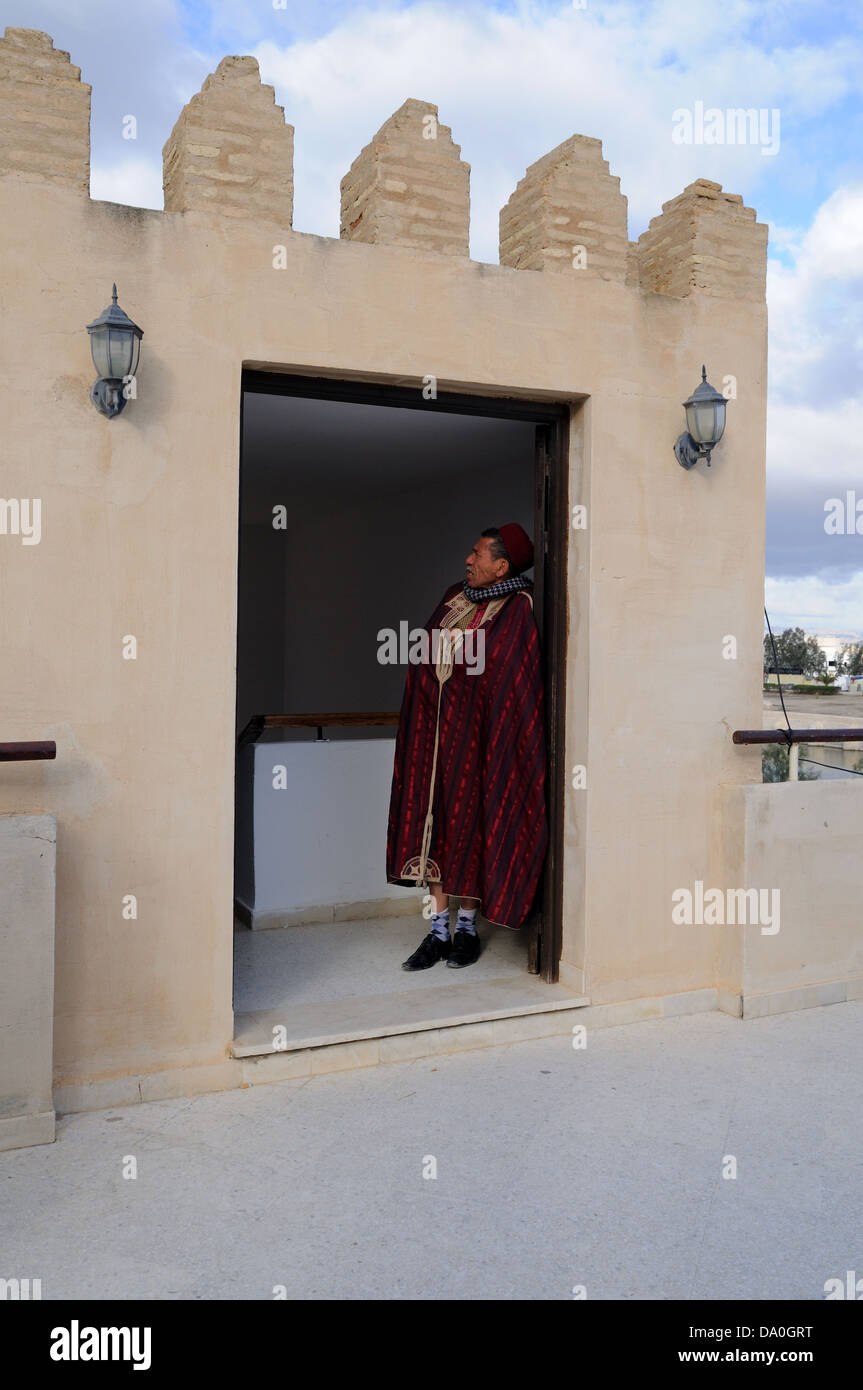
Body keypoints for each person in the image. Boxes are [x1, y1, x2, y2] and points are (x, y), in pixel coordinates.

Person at [386, 523, 548, 970]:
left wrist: (461, 658)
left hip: (481, 743)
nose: (468, 560)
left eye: (477, 555)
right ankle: (437, 930)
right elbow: (423, 653)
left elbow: (509, 674)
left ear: (501, 566)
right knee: (435, 825)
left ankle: (467, 929)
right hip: (437, 740)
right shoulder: (453, 597)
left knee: (473, 825)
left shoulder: (516, 610)